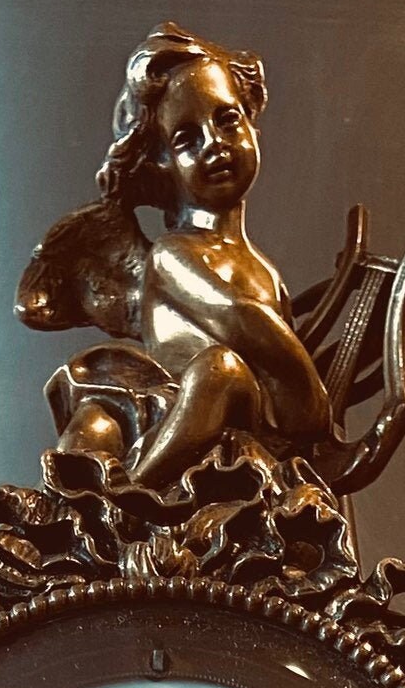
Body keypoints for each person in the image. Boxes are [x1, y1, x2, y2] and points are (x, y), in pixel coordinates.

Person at [18, 24, 332, 489]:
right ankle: (135, 493)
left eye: (227, 119)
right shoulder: (173, 254)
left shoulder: (265, 271)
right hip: (171, 406)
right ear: (161, 162)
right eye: (187, 139)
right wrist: (313, 406)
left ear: (252, 122)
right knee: (219, 368)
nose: (215, 144)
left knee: (228, 374)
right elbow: (240, 317)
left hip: (248, 422)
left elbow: (283, 337)